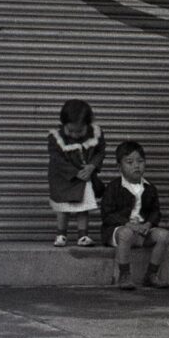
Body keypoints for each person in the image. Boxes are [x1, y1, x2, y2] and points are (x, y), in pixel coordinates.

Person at [101, 141, 169, 289]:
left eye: (140, 161)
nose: (136, 166)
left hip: (141, 232)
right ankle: (124, 275)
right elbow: (107, 215)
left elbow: (155, 212)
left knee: (163, 235)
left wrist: (148, 224)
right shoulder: (114, 187)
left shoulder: (150, 188)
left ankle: (151, 275)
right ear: (119, 167)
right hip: (119, 232)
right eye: (130, 162)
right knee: (126, 234)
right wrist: (129, 225)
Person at [46, 99, 101, 247]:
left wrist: (92, 166)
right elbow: (57, 160)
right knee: (63, 207)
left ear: (87, 125)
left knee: (83, 207)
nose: (75, 135)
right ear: (63, 124)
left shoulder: (95, 134)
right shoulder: (56, 139)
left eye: (79, 131)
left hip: (84, 176)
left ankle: (83, 235)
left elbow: (100, 152)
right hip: (63, 178)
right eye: (70, 131)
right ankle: (61, 234)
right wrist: (74, 172)